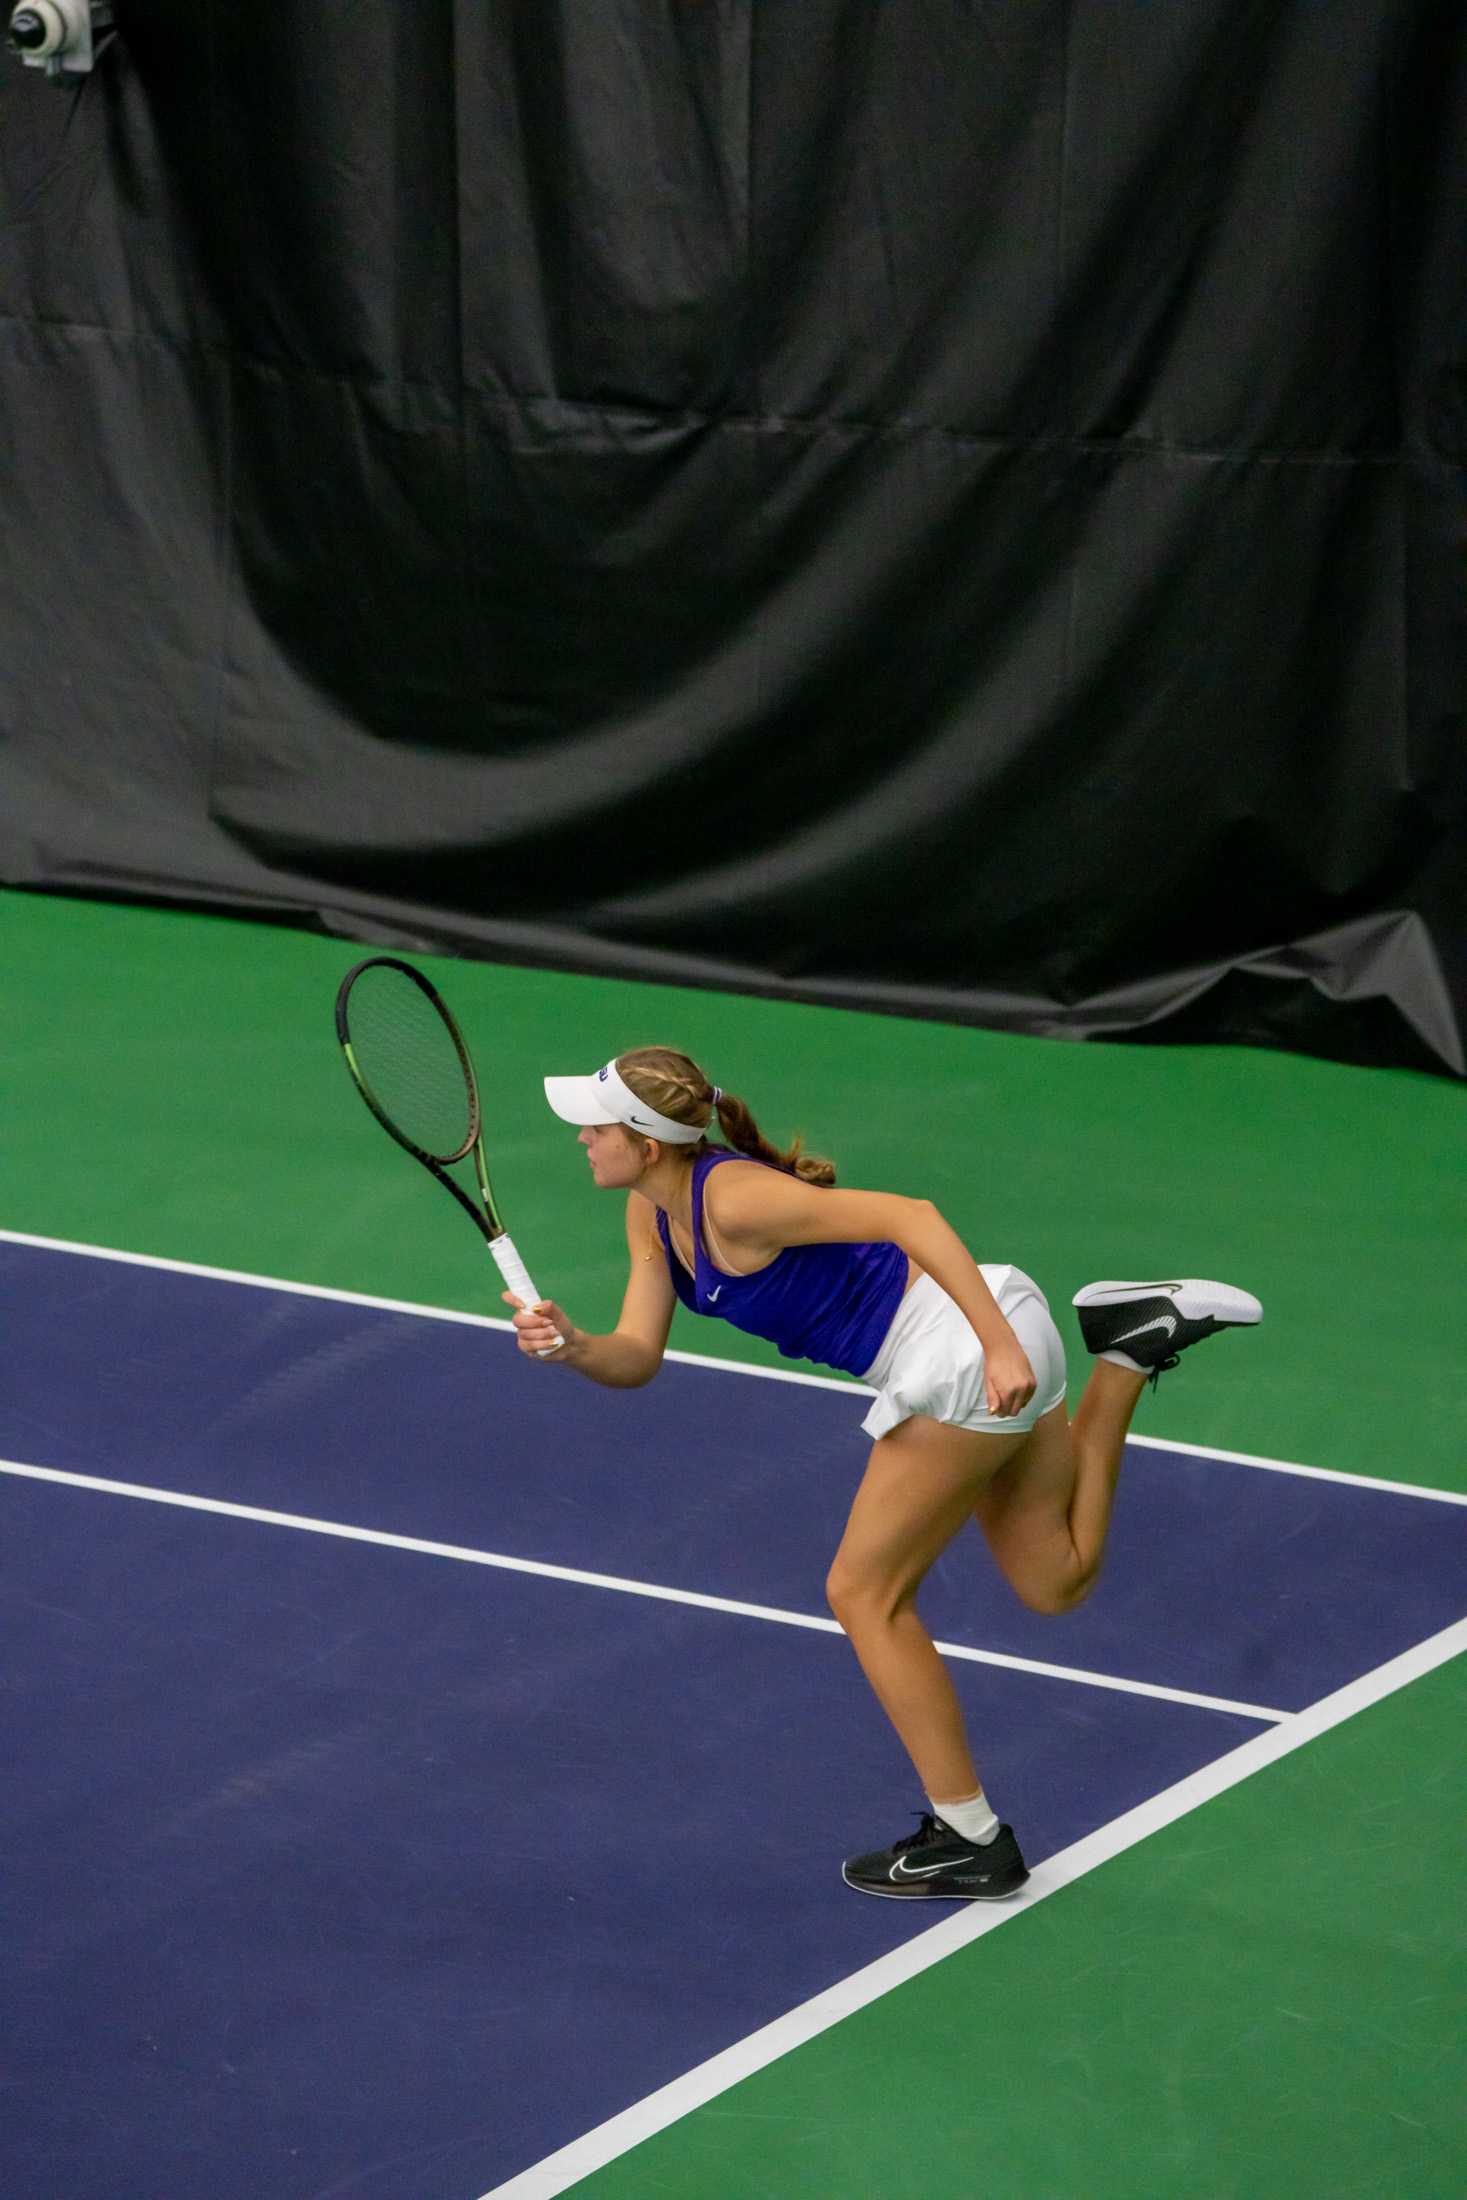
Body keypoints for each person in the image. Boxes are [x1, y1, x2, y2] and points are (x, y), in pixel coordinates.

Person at [506, 1047, 1262, 1902]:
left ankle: (969, 1837)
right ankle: (1127, 1346)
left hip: (964, 1349)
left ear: (646, 1143)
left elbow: (913, 1216)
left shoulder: (735, 1198)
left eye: (595, 1126)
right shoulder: (653, 1216)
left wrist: (997, 1346)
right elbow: (636, 1355)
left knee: (862, 1593)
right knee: (1056, 1580)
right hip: (990, 1333)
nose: (580, 1137)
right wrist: (572, 1347)